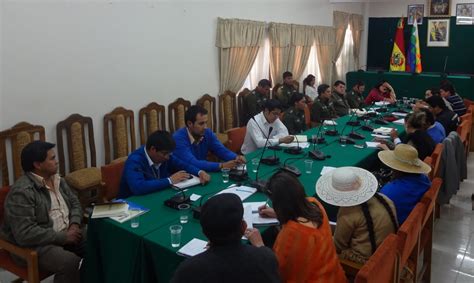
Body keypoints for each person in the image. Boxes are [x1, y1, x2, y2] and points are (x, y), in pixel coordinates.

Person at [1, 141, 85, 283]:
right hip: (37, 244)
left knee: (99, 238)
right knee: (69, 262)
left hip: (66, 232)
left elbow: (75, 202)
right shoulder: (22, 192)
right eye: (52, 159)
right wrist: (63, 237)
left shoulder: (58, 179)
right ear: (38, 165)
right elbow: (25, 234)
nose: (56, 162)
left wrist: (75, 224)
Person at [247, 171, 347, 282]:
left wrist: (259, 245)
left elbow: (276, 269)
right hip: (335, 277)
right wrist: (277, 213)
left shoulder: (292, 232)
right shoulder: (314, 204)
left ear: (279, 204)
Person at [171, 193, 280, 283]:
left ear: (204, 232)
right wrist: (261, 247)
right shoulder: (265, 258)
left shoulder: (188, 270)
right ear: (244, 227)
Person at [316, 167, 398, 264]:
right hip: (390, 250)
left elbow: (338, 246)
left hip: (367, 261)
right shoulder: (384, 198)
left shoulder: (347, 214)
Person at [119, 130, 210, 198]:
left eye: (169, 154)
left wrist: (199, 172)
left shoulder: (166, 155)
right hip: (132, 203)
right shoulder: (135, 161)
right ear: (153, 149)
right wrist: (170, 180)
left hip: (157, 195)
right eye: (165, 154)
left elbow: (182, 165)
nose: (167, 157)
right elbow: (138, 187)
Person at [173, 105, 246, 172]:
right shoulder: (178, 139)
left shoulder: (207, 133)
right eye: (201, 123)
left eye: (206, 123)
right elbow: (193, 163)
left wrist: (236, 157)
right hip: (183, 178)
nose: (205, 127)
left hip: (202, 173)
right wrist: (221, 165)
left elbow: (221, 150)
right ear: (189, 124)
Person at [378, 144, 432, 224]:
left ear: (394, 167)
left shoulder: (388, 192)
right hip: (413, 220)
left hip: (397, 225)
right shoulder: (424, 179)